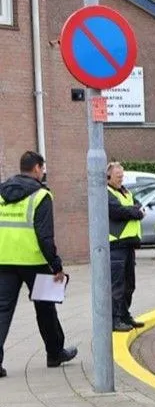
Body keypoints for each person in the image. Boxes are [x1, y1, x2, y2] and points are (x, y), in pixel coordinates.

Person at [0, 151, 78, 377]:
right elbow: (45, 236)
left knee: (2, 311)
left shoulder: (1, 193)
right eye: (42, 168)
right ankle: (54, 353)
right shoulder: (41, 196)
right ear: (36, 168)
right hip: (35, 261)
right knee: (46, 308)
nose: (43, 172)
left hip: (4, 261)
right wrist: (56, 265)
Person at [106, 162, 144, 332]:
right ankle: (115, 319)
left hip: (128, 244)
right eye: (118, 176)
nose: (121, 178)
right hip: (116, 245)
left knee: (129, 284)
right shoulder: (106, 193)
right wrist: (135, 212)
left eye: (122, 175)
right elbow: (118, 211)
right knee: (118, 285)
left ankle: (124, 314)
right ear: (108, 177)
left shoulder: (125, 191)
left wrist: (135, 210)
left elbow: (138, 204)